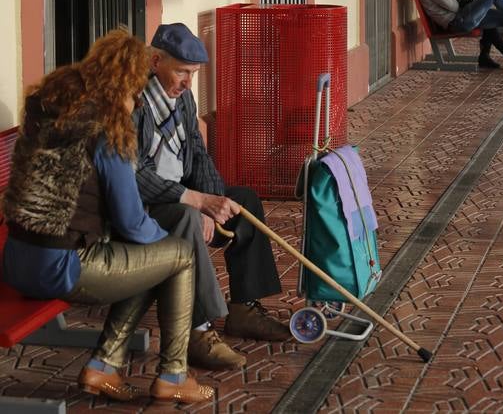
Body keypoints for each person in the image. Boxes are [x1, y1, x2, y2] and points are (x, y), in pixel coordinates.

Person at [1, 29, 213, 405]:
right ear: (126, 85)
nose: (137, 99)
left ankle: (104, 367)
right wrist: (158, 238)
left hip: (17, 260)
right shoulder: (107, 129)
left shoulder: (56, 110)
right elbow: (132, 222)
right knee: (177, 255)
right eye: (136, 91)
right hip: (59, 267)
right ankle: (173, 374)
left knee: (151, 258)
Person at [135, 23, 289, 372]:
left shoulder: (184, 99)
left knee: (244, 200)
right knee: (187, 217)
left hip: (186, 195)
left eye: (193, 73)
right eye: (182, 72)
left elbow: (200, 155)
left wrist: (211, 201)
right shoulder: (136, 104)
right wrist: (194, 201)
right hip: (148, 206)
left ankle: (244, 309)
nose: (189, 82)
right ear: (156, 61)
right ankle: (198, 330)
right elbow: (134, 175)